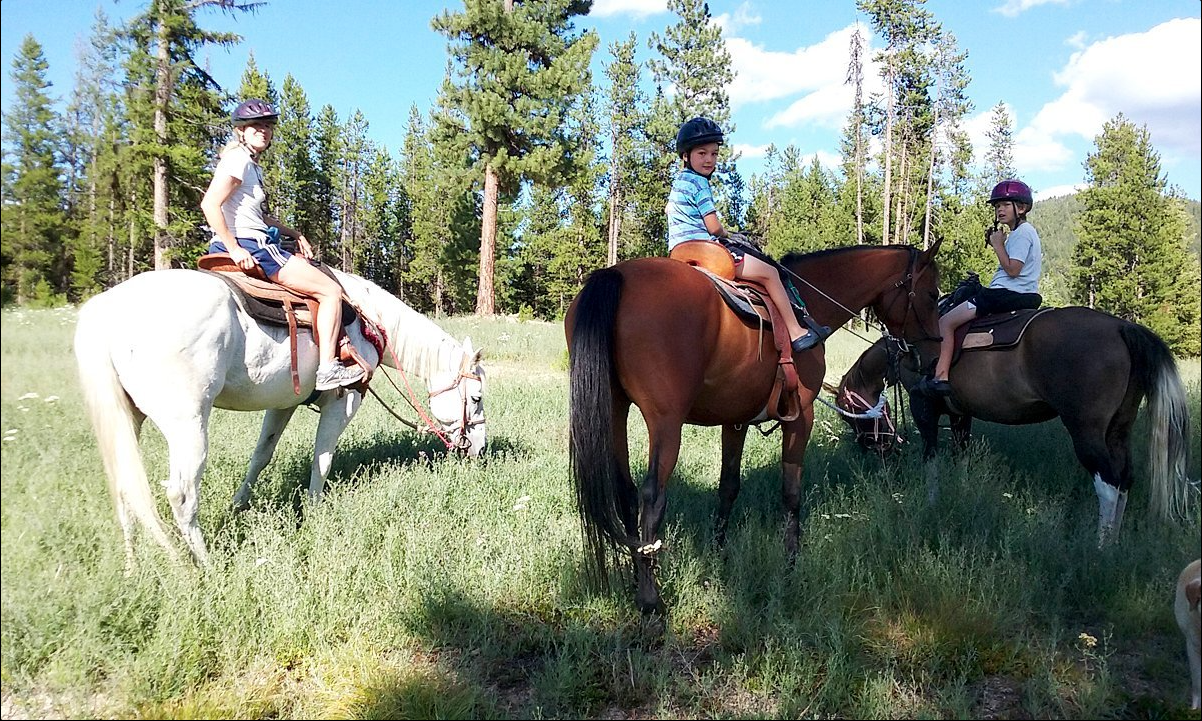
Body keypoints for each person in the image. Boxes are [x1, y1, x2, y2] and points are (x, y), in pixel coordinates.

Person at [200, 98, 364, 391]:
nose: (263, 131)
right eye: (255, 126)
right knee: (330, 290)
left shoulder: (249, 164)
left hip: (248, 239)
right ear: (241, 131)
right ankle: (328, 367)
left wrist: (295, 233)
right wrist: (235, 248)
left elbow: (259, 215)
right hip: (254, 245)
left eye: (267, 126)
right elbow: (210, 204)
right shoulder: (238, 160)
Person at [666, 117, 829, 355]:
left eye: (714, 153)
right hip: (705, 252)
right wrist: (728, 233)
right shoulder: (700, 183)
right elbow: (713, 227)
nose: (709, 160)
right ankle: (796, 331)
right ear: (685, 156)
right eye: (702, 153)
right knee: (771, 273)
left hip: (679, 251)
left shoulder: (679, 182)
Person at [915, 179, 1043, 396]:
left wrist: (997, 245)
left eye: (1005, 204)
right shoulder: (1022, 232)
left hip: (1003, 295)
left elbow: (1013, 270)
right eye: (997, 206)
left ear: (1021, 208)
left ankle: (941, 376)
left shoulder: (1022, 233)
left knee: (945, 322)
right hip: (1023, 294)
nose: (999, 209)